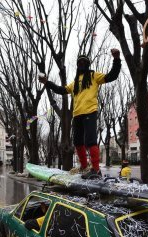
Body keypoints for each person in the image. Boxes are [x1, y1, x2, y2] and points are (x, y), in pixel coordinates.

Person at [39, 49, 121, 179]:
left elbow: (112, 76)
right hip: (77, 115)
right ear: (78, 65)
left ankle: (96, 170)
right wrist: (47, 82)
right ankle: (84, 167)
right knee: (77, 142)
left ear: (88, 64)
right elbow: (61, 90)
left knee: (91, 141)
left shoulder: (94, 76)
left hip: (90, 111)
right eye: (79, 62)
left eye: (84, 62)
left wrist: (116, 59)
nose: (82, 64)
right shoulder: (75, 82)